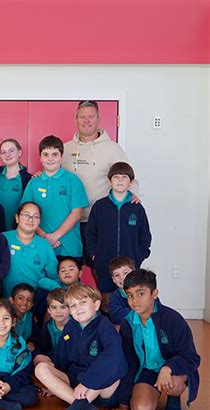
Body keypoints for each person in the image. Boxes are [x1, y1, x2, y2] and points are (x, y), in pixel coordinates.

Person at [109, 270, 200, 410]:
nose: (134, 300)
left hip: (172, 371)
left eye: (140, 293)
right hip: (147, 371)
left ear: (154, 294)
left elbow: (191, 357)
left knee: (175, 383)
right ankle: (154, 390)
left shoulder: (173, 319)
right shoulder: (128, 324)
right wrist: (123, 403)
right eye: (130, 295)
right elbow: (129, 361)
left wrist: (168, 368)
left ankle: (174, 396)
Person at [35, 284, 128, 410]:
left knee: (113, 363)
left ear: (96, 305)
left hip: (100, 388)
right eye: (73, 305)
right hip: (76, 382)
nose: (78, 308)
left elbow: (114, 356)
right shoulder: (70, 327)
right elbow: (62, 357)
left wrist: (86, 383)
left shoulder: (104, 326)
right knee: (40, 368)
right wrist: (56, 385)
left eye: (83, 302)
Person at [62, 100, 137, 267]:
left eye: (91, 116)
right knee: (70, 268)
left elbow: (129, 177)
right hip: (69, 221)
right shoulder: (65, 149)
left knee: (101, 268)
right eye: (82, 117)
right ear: (76, 119)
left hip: (100, 220)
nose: (86, 120)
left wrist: (134, 197)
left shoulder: (113, 149)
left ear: (98, 119)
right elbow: (53, 173)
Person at [86, 162, 151, 303]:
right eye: (116, 177)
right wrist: (94, 254)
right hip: (104, 263)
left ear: (131, 182)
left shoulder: (137, 208)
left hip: (130, 264)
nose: (120, 180)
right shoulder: (100, 206)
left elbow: (145, 235)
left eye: (124, 177)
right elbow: (90, 233)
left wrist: (139, 256)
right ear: (110, 181)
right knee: (106, 301)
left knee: (130, 299)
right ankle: (107, 318)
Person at [21, 135, 88, 258]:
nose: (50, 159)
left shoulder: (73, 180)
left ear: (62, 157)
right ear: (40, 157)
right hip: (41, 245)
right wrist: (44, 236)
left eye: (55, 154)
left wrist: (55, 236)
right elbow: (25, 214)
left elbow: (77, 213)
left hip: (69, 246)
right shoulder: (34, 183)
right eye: (45, 154)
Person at [2, 202, 60, 324]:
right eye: (26, 215)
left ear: (39, 221)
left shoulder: (44, 245)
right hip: (4, 301)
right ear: (17, 218)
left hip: (33, 304)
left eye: (35, 216)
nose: (31, 219)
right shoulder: (3, 239)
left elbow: (54, 275)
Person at [0, 138, 32, 231]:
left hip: (17, 231)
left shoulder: (27, 179)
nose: (7, 155)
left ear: (19, 152)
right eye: (3, 152)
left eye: (11, 150)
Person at [34, 288, 70, 365]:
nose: (58, 311)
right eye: (54, 307)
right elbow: (42, 349)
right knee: (38, 358)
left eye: (63, 307)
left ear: (70, 308)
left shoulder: (76, 325)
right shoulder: (47, 328)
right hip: (55, 360)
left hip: (74, 361)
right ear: (49, 310)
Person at [9, 283, 38, 352]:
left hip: (24, 351)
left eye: (29, 300)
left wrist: (31, 343)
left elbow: (35, 336)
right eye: (20, 298)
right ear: (11, 300)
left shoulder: (31, 318)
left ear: (31, 305)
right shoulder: (6, 317)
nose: (25, 302)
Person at [108, 256, 135, 325]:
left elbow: (155, 308)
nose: (122, 278)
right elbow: (116, 316)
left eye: (125, 273)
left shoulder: (145, 290)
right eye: (117, 275)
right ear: (113, 279)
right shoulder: (114, 296)